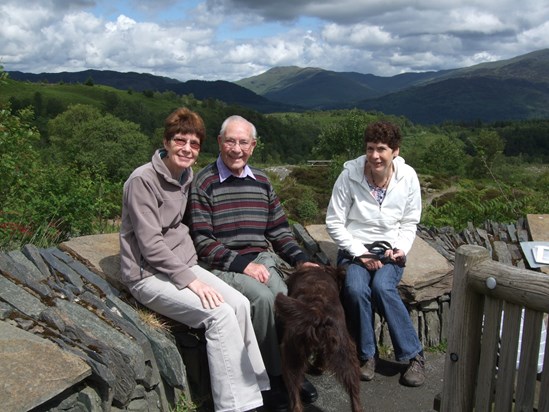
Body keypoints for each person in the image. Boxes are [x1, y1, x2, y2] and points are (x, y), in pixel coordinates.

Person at [119, 108, 269, 412]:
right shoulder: (142, 181)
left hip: (183, 265)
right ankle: (234, 405)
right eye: (180, 140)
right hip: (146, 275)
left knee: (239, 304)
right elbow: (150, 244)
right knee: (219, 315)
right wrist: (193, 281)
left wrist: (193, 269)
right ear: (166, 141)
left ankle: (257, 387)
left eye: (194, 143)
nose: (187, 148)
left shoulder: (185, 176)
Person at [189, 115, 319, 412]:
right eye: (230, 141)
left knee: (284, 297)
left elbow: (279, 230)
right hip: (221, 263)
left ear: (254, 146)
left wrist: (300, 260)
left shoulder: (261, 181)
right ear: (220, 143)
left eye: (243, 142)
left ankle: (292, 371)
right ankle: (271, 378)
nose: (237, 149)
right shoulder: (204, 183)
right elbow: (203, 242)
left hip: (260, 258)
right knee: (262, 299)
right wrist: (242, 265)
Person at [325, 120, 426, 387]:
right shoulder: (349, 175)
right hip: (354, 249)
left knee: (383, 287)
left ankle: (414, 355)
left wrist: (400, 249)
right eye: (370, 148)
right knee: (356, 288)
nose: (374, 156)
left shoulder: (408, 177)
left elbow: (409, 221)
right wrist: (359, 253)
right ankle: (367, 355)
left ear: (395, 151)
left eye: (381, 149)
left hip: (389, 249)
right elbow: (334, 221)